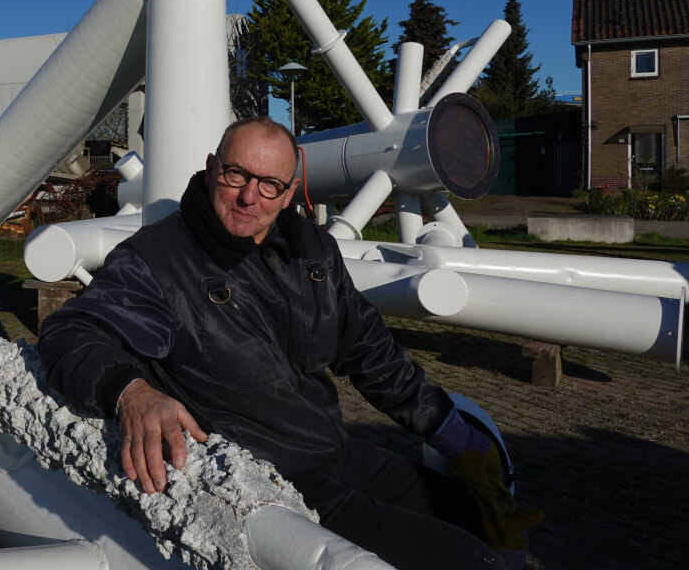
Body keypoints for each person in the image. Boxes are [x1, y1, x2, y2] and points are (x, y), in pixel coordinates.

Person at [39, 117, 537, 570]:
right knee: (470, 561)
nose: (249, 197)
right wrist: (133, 393)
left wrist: (447, 427)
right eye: (237, 174)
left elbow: (369, 348)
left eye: (269, 184)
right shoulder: (158, 260)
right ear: (213, 169)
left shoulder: (311, 251)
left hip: (335, 449)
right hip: (274, 480)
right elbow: (71, 333)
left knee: (480, 515)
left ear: (290, 191)